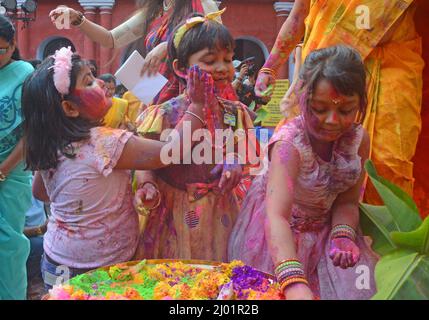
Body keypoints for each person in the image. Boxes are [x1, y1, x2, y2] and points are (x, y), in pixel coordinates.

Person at [22, 47, 208, 289]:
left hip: (56, 259)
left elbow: (41, 193)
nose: (101, 81)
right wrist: (197, 106)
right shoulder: (105, 142)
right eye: (89, 81)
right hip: (103, 267)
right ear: (70, 108)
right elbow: (168, 153)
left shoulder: (52, 143)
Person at [229, 46, 379, 300]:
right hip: (276, 237)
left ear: (360, 104)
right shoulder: (289, 145)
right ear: (302, 98)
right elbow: (276, 217)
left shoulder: (357, 139)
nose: (332, 120)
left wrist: (342, 235)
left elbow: (347, 201)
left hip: (325, 234)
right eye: (320, 109)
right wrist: (293, 281)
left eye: (345, 111)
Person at [254, 0, 424, 206]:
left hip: (396, 64)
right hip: (329, 72)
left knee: (389, 161)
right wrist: (269, 68)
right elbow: (298, 16)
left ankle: (386, 235)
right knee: (315, 156)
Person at [134, 10, 257, 262]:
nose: (223, 69)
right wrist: (146, 183)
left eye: (228, 59)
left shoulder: (235, 112)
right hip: (173, 212)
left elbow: (245, 153)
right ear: (180, 68)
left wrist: (235, 161)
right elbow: (146, 160)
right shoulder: (164, 114)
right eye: (210, 61)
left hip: (221, 211)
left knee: (218, 272)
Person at [49, 0, 221, 105]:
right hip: (158, 96)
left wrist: (168, 46)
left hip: (195, 95)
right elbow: (111, 39)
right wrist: (78, 18)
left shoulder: (203, 3)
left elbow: (218, 42)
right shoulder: (155, 10)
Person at [0, 15, 34, 300]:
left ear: (12, 45)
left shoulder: (24, 73)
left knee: (8, 242)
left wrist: (3, 170)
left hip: (11, 172)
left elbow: (34, 130)